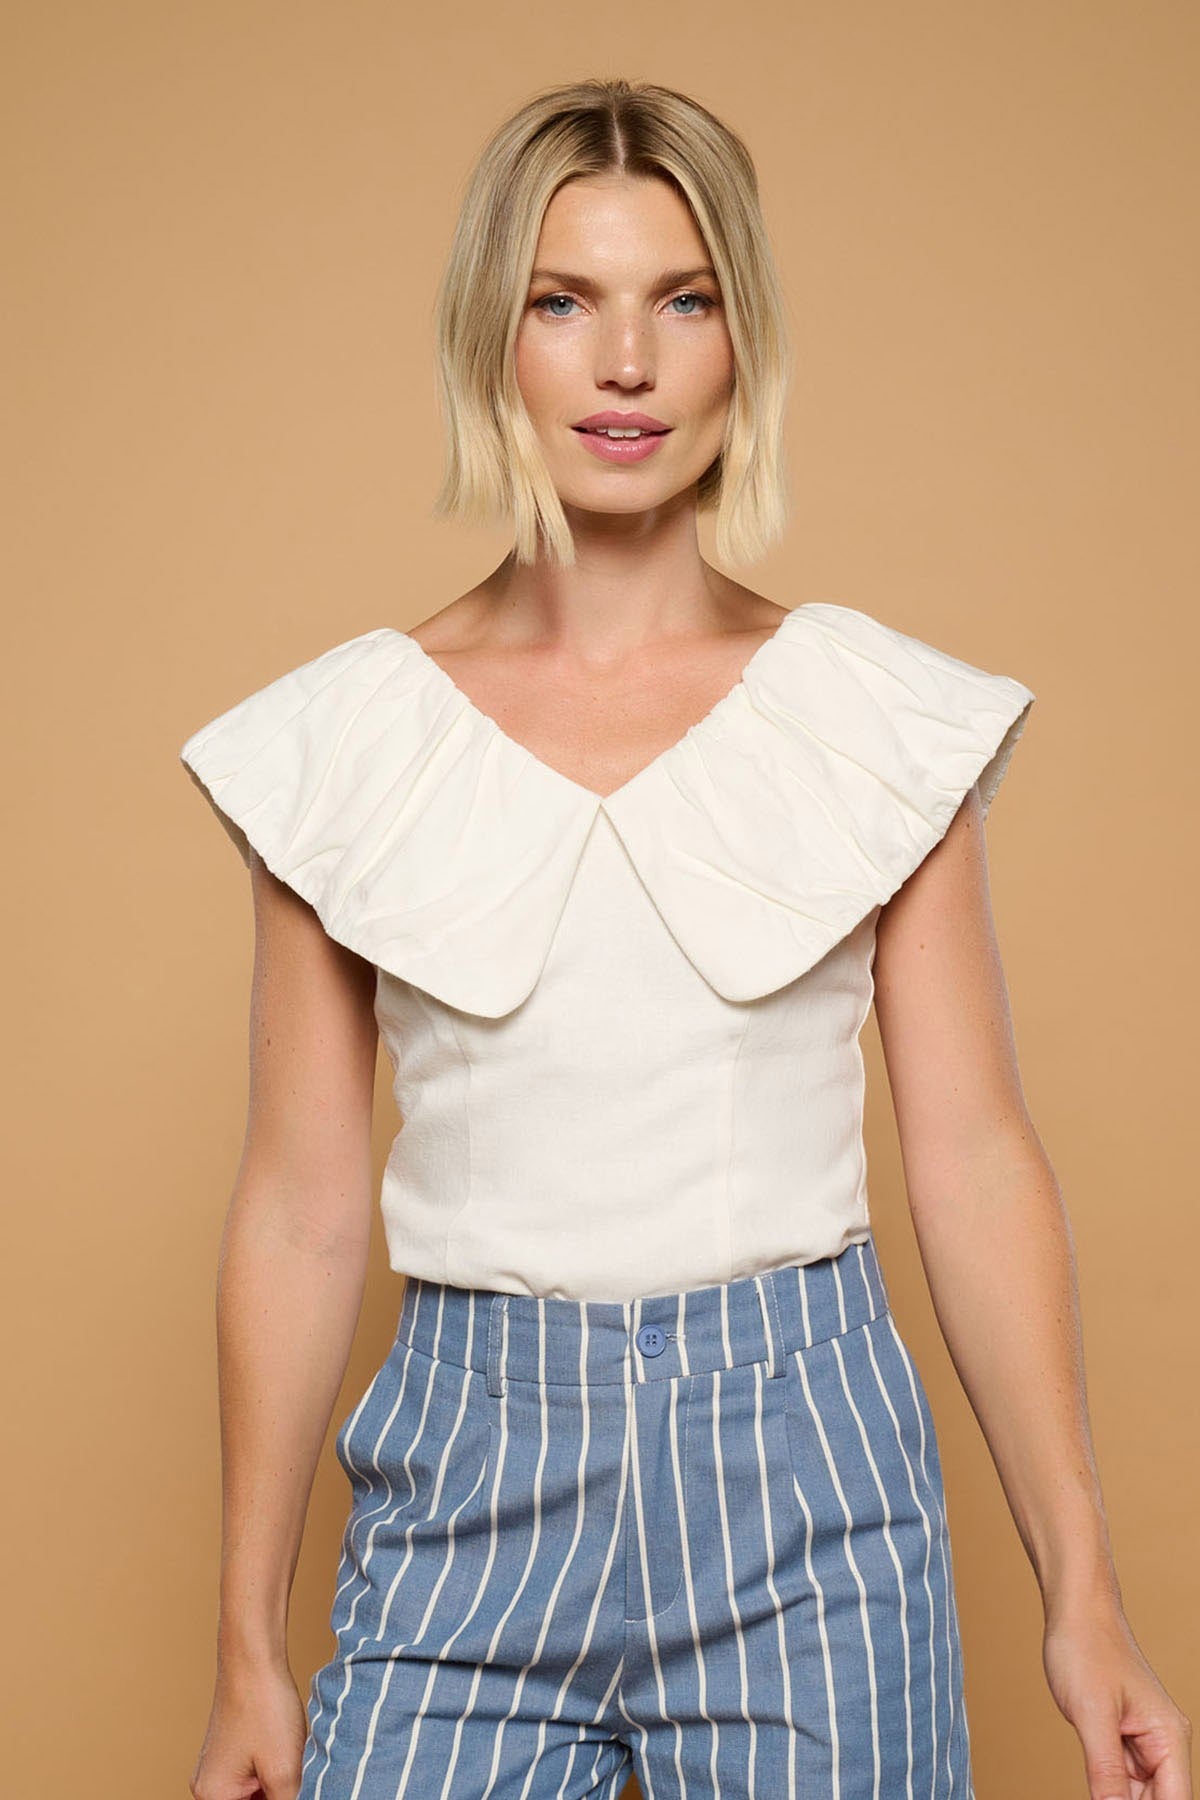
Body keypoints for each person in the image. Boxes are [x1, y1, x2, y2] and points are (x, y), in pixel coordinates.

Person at [181, 77, 1190, 1800]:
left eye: (686, 300)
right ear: (492, 338)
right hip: (465, 1481)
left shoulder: (868, 720)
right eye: (564, 302)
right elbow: (298, 1205)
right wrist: (245, 1650)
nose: (628, 363)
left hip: (810, 1487)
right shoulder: (349, 743)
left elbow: (972, 1162)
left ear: (744, 341)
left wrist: (1083, 1599)